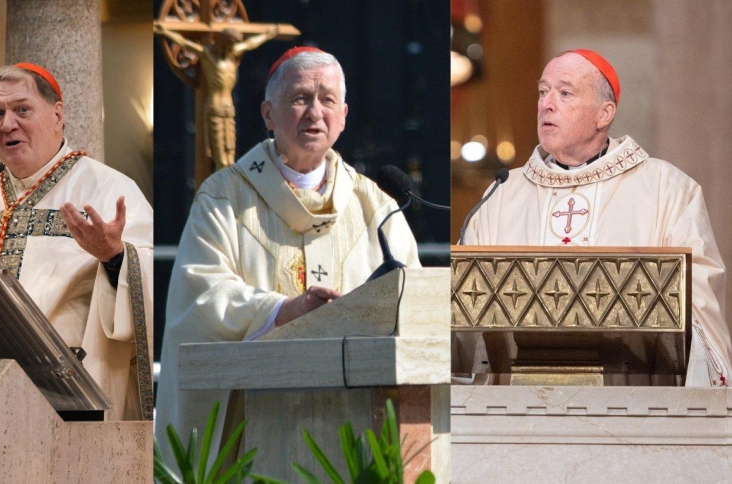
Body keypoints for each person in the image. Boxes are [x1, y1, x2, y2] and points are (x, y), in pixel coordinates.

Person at [155, 47, 420, 464]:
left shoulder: (376, 207)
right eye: (300, 98)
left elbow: (413, 304)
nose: (315, 112)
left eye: (327, 100)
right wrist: (283, 310)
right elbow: (200, 296)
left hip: (353, 425)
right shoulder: (225, 197)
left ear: (344, 115)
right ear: (267, 113)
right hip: (254, 432)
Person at [463, 49, 732, 386]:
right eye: (543, 91)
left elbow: (698, 305)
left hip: (632, 404)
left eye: (564, 93)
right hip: (516, 405)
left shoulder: (667, 190)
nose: (546, 103)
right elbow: (465, 308)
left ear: (604, 113)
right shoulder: (501, 195)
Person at [0, 63, 154, 420]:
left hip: (69, 391)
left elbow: (154, 282)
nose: (7, 124)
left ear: (57, 115)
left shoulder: (108, 188)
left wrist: (114, 257)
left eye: (22, 109)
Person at [154, 23, 280, 170]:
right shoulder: (209, 56)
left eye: (235, 45)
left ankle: (228, 188)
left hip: (229, 110)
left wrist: (267, 35)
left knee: (230, 156)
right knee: (221, 159)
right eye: (231, 44)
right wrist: (166, 32)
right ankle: (222, 189)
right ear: (224, 42)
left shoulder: (232, 54)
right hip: (215, 108)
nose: (233, 48)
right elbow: (184, 43)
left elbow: (250, 44)